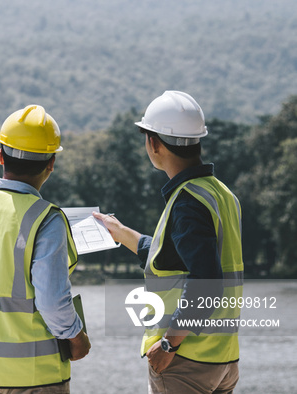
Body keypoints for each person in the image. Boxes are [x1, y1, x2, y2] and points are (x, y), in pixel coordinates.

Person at [92, 91, 243, 393]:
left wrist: (168, 344)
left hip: (187, 359)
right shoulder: (220, 194)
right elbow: (173, 260)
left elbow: (207, 282)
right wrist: (122, 233)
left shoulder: (188, 201)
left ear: (154, 143)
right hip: (223, 357)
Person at [0, 105, 90, 394]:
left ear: (1, 155)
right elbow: (52, 301)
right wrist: (77, 337)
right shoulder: (46, 218)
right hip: (36, 377)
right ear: (51, 163)